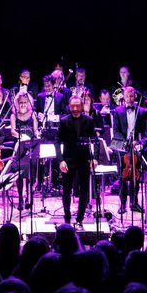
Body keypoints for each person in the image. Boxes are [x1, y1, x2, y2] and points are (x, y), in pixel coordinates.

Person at [57, 95, 97, 227]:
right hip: (68, 160)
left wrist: (94, 158)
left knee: (84, 190)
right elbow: (57, 142)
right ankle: (67, 217)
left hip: (84, 160)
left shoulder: (89, 120)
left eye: (77, 106)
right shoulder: (63, 121)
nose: (75, 108)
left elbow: (95, 141)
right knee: (66, 190)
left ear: (81, 106)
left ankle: (80, 218)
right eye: (72, 106)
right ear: (69, 106)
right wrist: (61, 160)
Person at [112, 86, 147, 214]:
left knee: (135, 176)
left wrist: (139, 142)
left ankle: (134, 203)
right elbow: (116, 131)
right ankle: (122, 205)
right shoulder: (117, 111)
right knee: (122, 177)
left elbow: (144, 131)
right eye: (127, 96)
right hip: (122, 147)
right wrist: (127, 142)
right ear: (124, 97)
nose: (129, 98)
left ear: (135, 96)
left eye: (131, 96)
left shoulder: (142, 111)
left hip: (136, 147)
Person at [10, 91, 40, 212]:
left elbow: (36, 130)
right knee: (19, 173)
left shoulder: (33, 114)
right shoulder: (13, 115)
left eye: (25, 102)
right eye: (20, 102)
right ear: (17, 103)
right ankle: (20, 199)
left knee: (30, 174)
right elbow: (12, 131)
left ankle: (29, 197)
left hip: (31, 146)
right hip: (19, 145)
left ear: (29, 103)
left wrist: (37, 137)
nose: (23, 104)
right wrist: (21, 137)